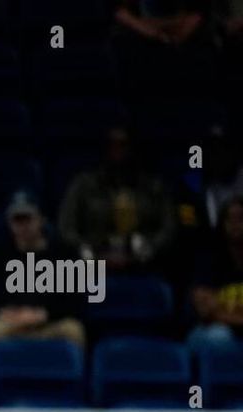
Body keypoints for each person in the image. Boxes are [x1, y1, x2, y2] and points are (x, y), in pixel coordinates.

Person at [57, 126, 176, 272]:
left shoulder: (153, 187)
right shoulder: (83, 185)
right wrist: (86, 249)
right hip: (92, 265)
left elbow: (168, 228)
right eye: (112, 145)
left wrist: (150, 247)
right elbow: (66, 228)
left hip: (144, 267)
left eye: (123, 145)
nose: (118, 151)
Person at [0, 191, 86, 349]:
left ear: (41, 219)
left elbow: (76, 300)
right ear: (9, 223)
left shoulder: (65, 255)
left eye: (27, 219)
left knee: (74, 330)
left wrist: (44, 314)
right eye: (17, 220)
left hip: (51, 322)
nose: (23, 226)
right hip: (13, 322)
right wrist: (3, 312)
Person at [187, 195, 243, 351]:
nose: (235, 225)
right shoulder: (209, 260)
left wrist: (222, 309)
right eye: (230, 220)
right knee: (220, 336)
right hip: (210, 331)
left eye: (240, 219)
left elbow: (215, 307)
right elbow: (205, 311)